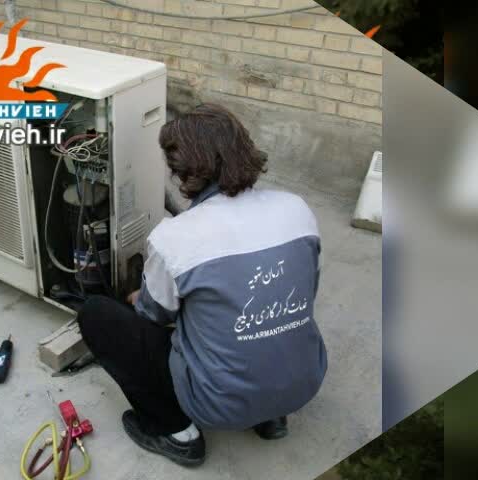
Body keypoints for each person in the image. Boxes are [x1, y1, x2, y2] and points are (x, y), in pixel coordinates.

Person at [76, 103, 327, 467]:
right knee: (264, 307)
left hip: (217, 405)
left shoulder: (175, 239)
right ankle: (272, 414)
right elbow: (306, 290)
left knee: (98, 315)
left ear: (181, 170)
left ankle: (178, 434)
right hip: (305, 384)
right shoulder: (297, 210)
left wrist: (143, 294)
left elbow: (153, 314)